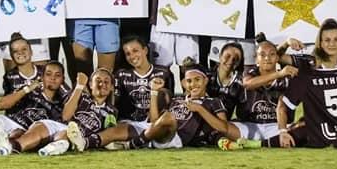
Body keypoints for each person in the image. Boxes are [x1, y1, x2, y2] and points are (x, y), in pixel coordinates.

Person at [270, 19, 337, 149]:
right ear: (320, 43)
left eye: (336, 40)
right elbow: (274, 57)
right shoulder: (309, 68)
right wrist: (286, 43)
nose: (332, 44)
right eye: (327, 40)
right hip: (319, 132)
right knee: (289, 138)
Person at [67, 65, 230, 151]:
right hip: (153, 131)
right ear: (183, 83)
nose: (193, 84)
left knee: (168, 117)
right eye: (189, 81)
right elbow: (154, 120)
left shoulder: (213, 101)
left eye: (197, 80)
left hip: (176, 138)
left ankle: (132, 144)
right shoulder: (178, 99)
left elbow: (224, 127)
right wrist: (153, 92)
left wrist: (199, 109)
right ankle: (84, 143)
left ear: (206, 80)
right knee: (120, 127)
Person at [217, 40, 297, 145]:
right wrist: (279, 74)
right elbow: (248, 84)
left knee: (305, 126)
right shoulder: (248, 73)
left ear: (277, 58)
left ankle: (255, 143)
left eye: (272, 54)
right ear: (256, 59)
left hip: (277, 127)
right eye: (262, 55)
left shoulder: (287, 78)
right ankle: (270, 142)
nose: (267, 58)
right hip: (248, 126)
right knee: (220, 126)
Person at [36, 67, 117, 156]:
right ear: (90, 84)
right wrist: (79, 87)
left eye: (106, 81)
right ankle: (51, 149)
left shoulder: (112, 111)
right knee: (65, 132)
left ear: (111, 87)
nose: (102, 84)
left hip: (84, 140)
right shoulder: (81, 97)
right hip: (64, 131)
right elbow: (65, 117)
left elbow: (107, 134)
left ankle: (53, 148)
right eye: (98, 81)